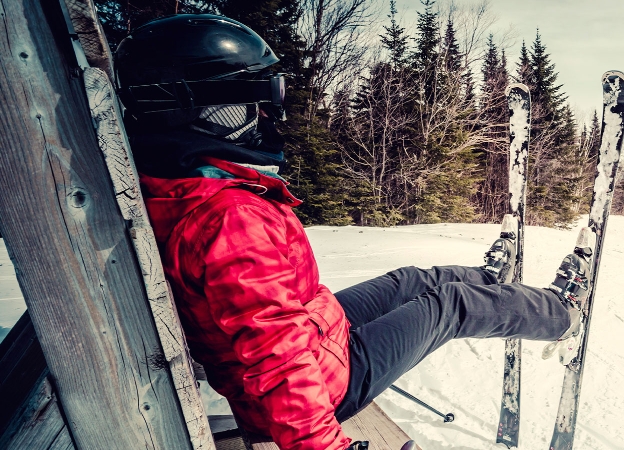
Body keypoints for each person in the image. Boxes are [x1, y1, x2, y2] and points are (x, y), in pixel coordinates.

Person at [116, 14, 586, 450]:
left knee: (412, 280)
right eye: (251, 103)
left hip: (314, 334)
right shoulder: (228, 217)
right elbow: (276, 359)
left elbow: (267, 323)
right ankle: (563, 316)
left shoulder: (184, 186)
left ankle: (488, 279)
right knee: (452, 305)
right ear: (198, 111)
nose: (266, 116)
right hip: (322, 385)